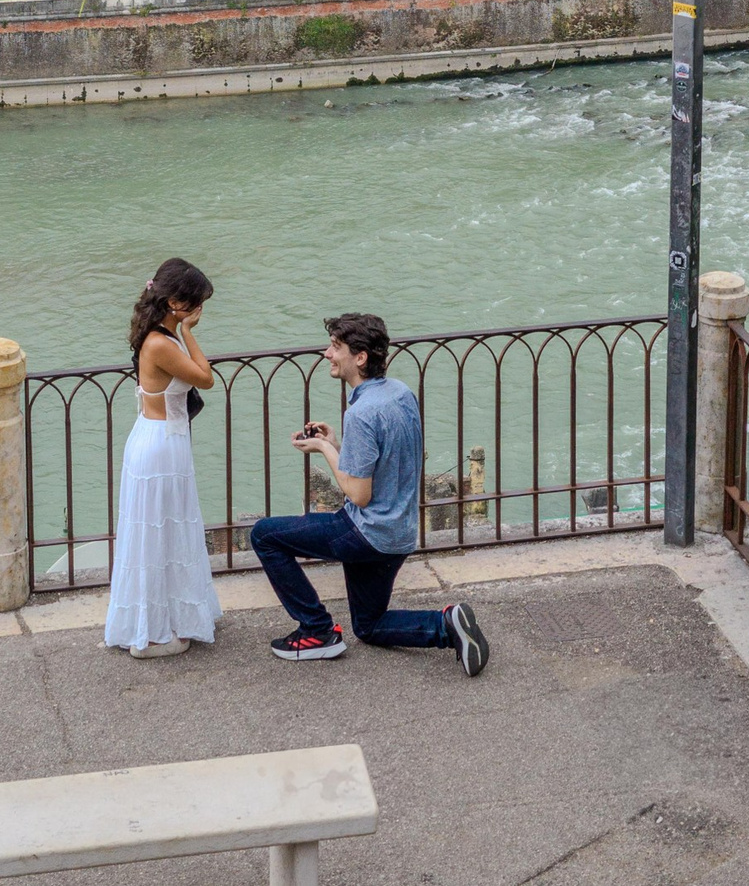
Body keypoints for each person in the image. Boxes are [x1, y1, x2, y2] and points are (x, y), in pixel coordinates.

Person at [248, 312, 488, 673]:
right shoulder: (401, 393)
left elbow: (358, 495)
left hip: (365, 533)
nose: (328, 354)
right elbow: (382, 462)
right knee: (369, 626)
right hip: (399, 533)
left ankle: (315, 631)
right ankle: (447, 623)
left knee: (265, 536)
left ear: (359, 357)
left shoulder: (361, 413)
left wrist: (324, 449)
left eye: (335, 347)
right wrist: (336, 442)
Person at [102, 257, 222, 660]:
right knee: (158, 533)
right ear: (175, 303)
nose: (200, 311)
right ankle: (149, 636)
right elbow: (205, 378)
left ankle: (167, 616)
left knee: (162, 532)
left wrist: (182, 330)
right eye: (195, 304)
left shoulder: (155, 335)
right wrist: (189, 334)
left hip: (159, 439)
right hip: (161, 445)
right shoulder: (161, 342)